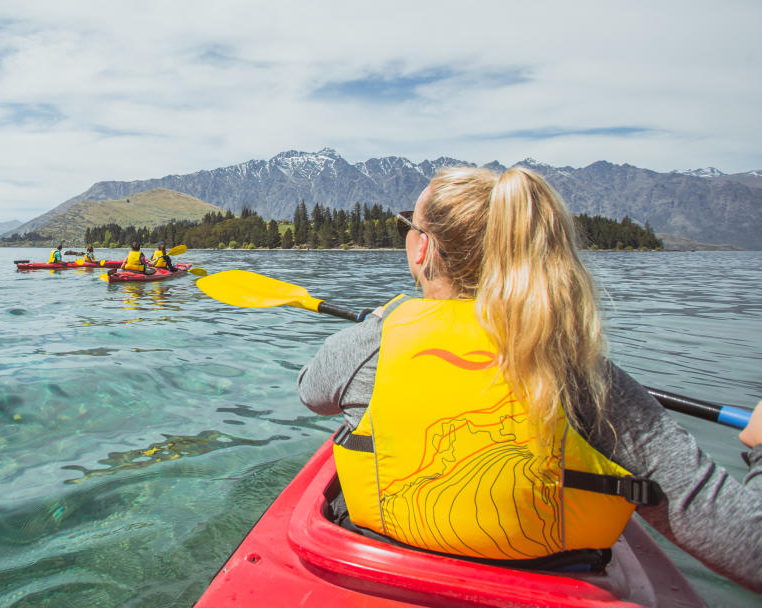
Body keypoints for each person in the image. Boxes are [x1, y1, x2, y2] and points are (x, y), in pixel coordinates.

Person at [297, 166, 761, 591]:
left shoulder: (376, 342)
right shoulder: (581, 374)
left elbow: (312, 391)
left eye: (409, 225)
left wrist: (378, 324)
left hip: (386, 567)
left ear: (423, 248)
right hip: (551, 577)